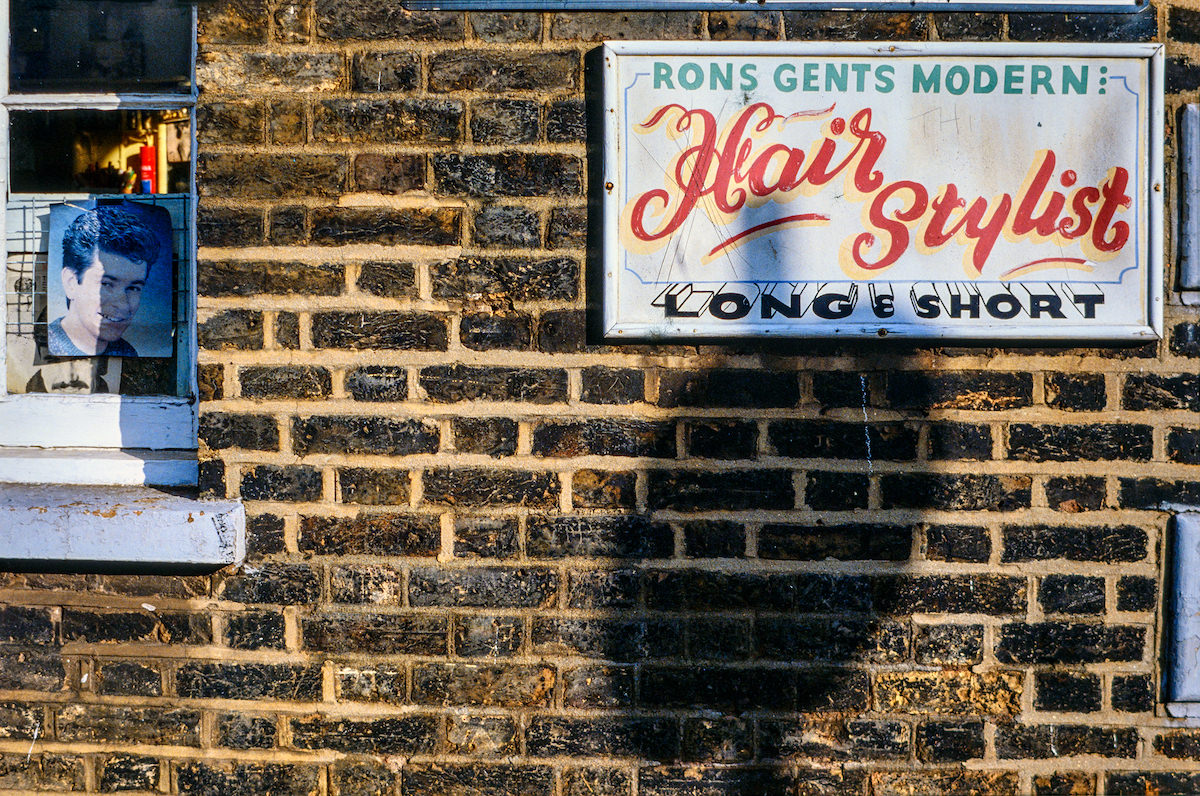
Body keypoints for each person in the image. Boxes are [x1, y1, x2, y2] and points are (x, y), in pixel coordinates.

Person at [48, 205, 161, 357]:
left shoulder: (127, 352)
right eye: (106, 284)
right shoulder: (36, 346)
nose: (123, 304)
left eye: (133, 288)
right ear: (71, 282)